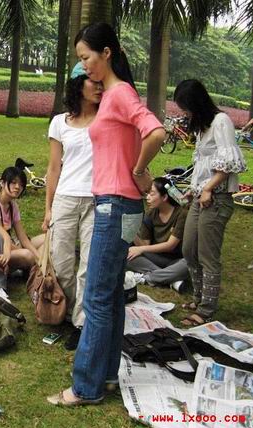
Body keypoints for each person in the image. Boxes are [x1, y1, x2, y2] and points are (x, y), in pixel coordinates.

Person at [47, 22, 165, 407]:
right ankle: (108, 375)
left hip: (113, 205)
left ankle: (85, 387)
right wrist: (138, 171)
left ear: (107, 53)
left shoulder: (118, 94)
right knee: (112, 295)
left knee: (97, 296)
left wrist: (137, 169)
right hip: (126, 207)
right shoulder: (117, 96)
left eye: (86, 58)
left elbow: (156, 132)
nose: (84, 67)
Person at [173, 79, 246, 327]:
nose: (184, 112)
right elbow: (203, 165)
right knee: (188, 249)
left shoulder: (220, 122)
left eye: (185, 106)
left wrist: (208, 188)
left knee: (207, 255)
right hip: (200, 196)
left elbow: (230, 163)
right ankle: (198, 297)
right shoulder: (203, 127)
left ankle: (206, 308)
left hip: (218, 198)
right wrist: (193, 190)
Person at [43, 63, 103, 351]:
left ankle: (81, 323)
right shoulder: (59, 122)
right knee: (62, 263)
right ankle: (65, 311)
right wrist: (48, 207)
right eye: (93, 81)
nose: (99, 87)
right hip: (65, 198)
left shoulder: (107, 119)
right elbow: (54, 168)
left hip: (97, 199)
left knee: (88, 265)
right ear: (79, 84)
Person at [125, 177, 190, 292]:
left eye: (152, 194)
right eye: (147, 194)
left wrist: (141, 249)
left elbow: (171, 245)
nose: (147, 198)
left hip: (176, 259)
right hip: (156, 257)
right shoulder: (150, 214)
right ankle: (172, 279)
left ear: (164, 197)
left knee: (189, 264)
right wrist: (130, 229)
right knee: (127, 254)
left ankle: (147, 278)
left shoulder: (181, 214)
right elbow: (144, 244)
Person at [0, 166, 43, 272]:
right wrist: (31, 254)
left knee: (46, 239)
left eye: (21, 185)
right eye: (13, 182)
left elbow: (23, 238)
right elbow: (1, 239)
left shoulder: (13, 205)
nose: (17, 187)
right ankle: (33, 267)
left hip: (8, 246)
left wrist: (39, 258)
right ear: (2, 183)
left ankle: (38, 265)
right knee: (28, 255)